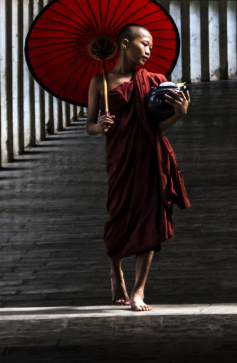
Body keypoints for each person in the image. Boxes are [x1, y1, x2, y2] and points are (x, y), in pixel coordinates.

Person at [86, 24, 191, 311]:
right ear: (124, 44)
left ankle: (138, 290)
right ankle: (115, 271)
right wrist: (101, 126)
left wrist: (179, 115)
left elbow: (156, 126)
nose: (148, 51)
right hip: (120, 158)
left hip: (150, 156)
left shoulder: (156, 80)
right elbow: (89, 126)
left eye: (151, 47)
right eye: (144, 44)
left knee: (149, 218)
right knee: (119, 214)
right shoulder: (100, 82)